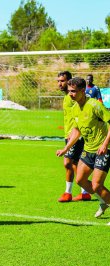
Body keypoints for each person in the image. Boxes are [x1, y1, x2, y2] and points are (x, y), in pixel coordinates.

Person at [57, 77, 110, 218]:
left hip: (103, 150)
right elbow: (76, 131)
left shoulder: (94, 105)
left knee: (97, 185)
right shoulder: (75, 108)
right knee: (80, 180)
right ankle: (103, 201)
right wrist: (65, 149)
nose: (70, 94)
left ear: (82, 91)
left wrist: (105, 144)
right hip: (88, 149)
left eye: (73, 91)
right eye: (69, 91)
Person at [56, 71, 90, 202]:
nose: (60, 83)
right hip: (69, 134)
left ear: (69, 81)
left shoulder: (73, 97)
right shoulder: (67, 97)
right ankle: (84, 191)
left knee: (67, 162)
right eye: (58, 81)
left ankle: (68, 193)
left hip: (75, 135)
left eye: (62, 81)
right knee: (74, 163)